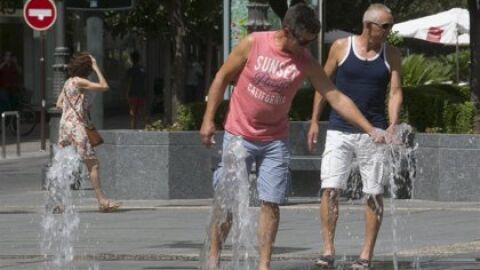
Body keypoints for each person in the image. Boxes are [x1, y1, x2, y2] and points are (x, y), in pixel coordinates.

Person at [199, 3, 385, 270]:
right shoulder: (254, 43)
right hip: (239, 134)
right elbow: (221, 78)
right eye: (304, 41)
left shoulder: (305, 61)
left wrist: (369, 128)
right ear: (287, 31)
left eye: (311, 42)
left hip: (275, 139)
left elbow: (335, 97)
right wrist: (208, 119)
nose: (307, 47)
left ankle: (264, 265)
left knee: (271, 202)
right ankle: (214, 259)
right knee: (227, 200)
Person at [307, 4, 403, 269]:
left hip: (376, 133)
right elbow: (322, 85)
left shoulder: (391, 54)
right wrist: (315, 120)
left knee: (373, 193)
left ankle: (366, 254)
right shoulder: (340, 47)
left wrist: (393, 124)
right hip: (339, 129)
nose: (388, 31)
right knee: (330, 188)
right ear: (369, 25)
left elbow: (395, 92)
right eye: (385, 26)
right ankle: (328, 249)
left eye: (390, 26)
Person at [56, 52, 121, 212]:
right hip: (77, 127)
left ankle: (61, 202)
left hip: (64, 127)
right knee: (93, 164)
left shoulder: (68, 83)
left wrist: (77, 104)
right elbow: (104, 86)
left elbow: (58, 104)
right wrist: (96, 66)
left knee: (65, 165)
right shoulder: (79, 81)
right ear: (86, 68)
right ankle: (102, 201)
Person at [125, 50, 148, 129]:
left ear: (131, 59)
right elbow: (145, 82)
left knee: (133, 112)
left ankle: (133, 128)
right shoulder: (142, 69)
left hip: (133, 93)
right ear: (139, 59)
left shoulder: (130, 70)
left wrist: (127, 93)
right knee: (143, 111)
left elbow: (129, 82)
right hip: (141, 93)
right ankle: (147, 126)